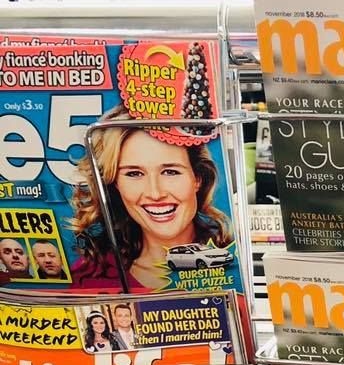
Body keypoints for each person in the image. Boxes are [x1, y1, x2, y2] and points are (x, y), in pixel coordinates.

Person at [70, 106, 234, 292]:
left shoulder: (233, 259)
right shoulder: (89, 277)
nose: (155, 193)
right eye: (134, 173)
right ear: (115, 183)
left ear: (197, 179)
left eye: (170, 172)